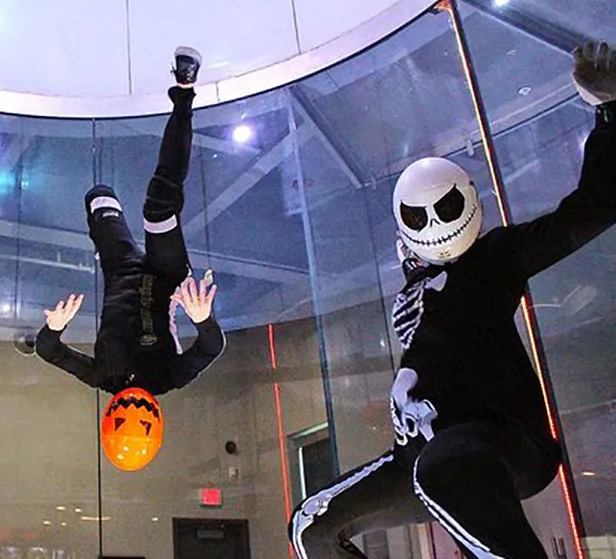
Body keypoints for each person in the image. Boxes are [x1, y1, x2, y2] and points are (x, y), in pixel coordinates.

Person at [289, 41, 616, 558]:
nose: (435, 225)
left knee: (445, 469)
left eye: (442, 210)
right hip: (417, 454)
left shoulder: (491, 261)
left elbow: (587, 212)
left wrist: (609, 114)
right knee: (313, 525)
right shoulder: (414, 289)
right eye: (422, 217)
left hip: (495, 440)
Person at [35, 47, 225, 397]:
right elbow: (212, 347)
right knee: (158, 208)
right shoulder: (168, 378)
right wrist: (201, 319)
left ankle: (108, 215)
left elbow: (49, 352)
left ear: (113, 417)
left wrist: (54, 328)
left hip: (121, 269)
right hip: (167, 277)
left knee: (99, 194)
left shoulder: (101, 377)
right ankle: (184, 94)